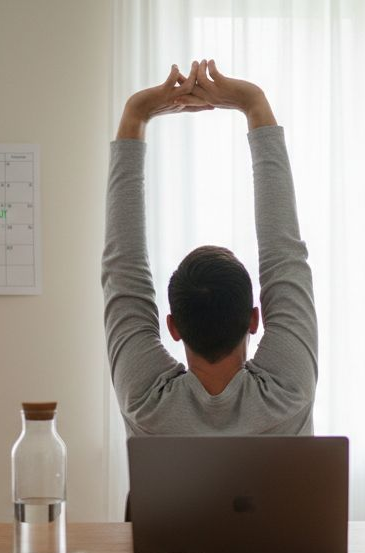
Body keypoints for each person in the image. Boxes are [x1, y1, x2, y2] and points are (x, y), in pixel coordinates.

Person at [104, 60, 318, 436]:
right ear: (254, 319)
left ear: (173, 327)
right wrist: (254, 104)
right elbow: (283, 253)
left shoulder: (144, 401)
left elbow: (123, 268)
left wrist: (135, 115)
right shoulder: (289, 391)